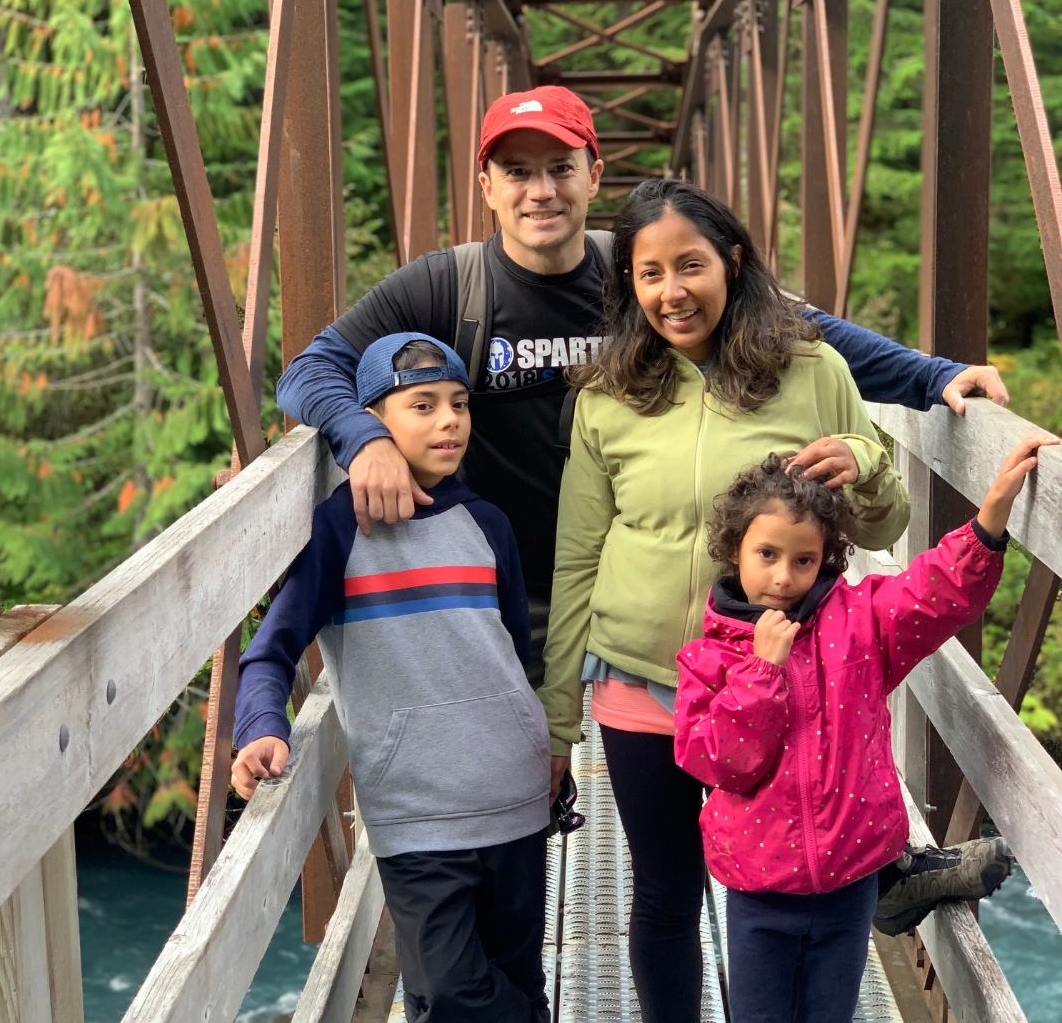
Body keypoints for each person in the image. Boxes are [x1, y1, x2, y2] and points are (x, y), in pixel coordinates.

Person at [274, 88, 1010, 952]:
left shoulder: (638, 265)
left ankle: (873, 870)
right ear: (486, 186)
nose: (540, 190)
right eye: (517, 171)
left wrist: (930, 377)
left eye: (560, 167)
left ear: (595, 174)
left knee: (773, 730)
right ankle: (492, 976)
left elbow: (799, 330)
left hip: (649, 579)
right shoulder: (448, 286)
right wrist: (363, 436)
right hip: (504, 586)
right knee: (519, 793)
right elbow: (308, 370)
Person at [539, 178, 917, 1020]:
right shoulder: (606, 395)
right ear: (629, 284)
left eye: (691, 265)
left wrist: (864, 460)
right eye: (648, 273)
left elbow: (885, 520)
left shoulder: (813, 369)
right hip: (642, 681)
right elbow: (576, 560)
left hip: (783, 683)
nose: (671, 291)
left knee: (788, 887)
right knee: (664, 891)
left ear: (733, 263)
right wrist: (558, 721)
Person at [674, 433, 1055, 1022]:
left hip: (850, 882)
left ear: (826, 557)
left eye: (803, 560)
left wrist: (987, 524)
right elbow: (717, 761)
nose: (783, 577)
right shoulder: (709, 658)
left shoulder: (859, 622)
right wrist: (761, 673)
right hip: (759, 887)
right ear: (735, 550)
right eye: (766, 554)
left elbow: (931, 595)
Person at [230, 335, 552, 1023]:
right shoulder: (339, 532)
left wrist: (547, 748)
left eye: (459, 404)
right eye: (423, 405)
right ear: (372, 421)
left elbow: (518, 662)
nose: (449, 420)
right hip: (416, 813)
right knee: (453, 992)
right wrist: (261, 726)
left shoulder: (488, 524)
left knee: (512, 981)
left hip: (515, 797)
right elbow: (270, 650)